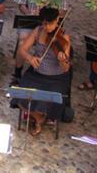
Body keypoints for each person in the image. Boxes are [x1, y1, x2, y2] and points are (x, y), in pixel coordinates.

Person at [10, 7, 71, 136]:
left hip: (56, 78)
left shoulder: (64, 38)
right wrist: (30, 58)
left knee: (48, 99)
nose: (47, 27)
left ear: (57, 20)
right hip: (36, 75)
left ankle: (39, 119)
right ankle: (39, 118)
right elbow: (22, 50)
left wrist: (62, 61)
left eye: (51, 23)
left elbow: (66, 68)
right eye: (44, 23)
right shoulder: (37, 31)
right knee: (20, 97)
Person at [12, 0, 69, 84]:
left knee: (56, 43)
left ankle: (50, 69)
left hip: (52, 24)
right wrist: (29, 13)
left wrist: (53, 17)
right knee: (23, 40)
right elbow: (21, 4)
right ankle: (17, 73)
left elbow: (63, 10)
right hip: (32, 21)